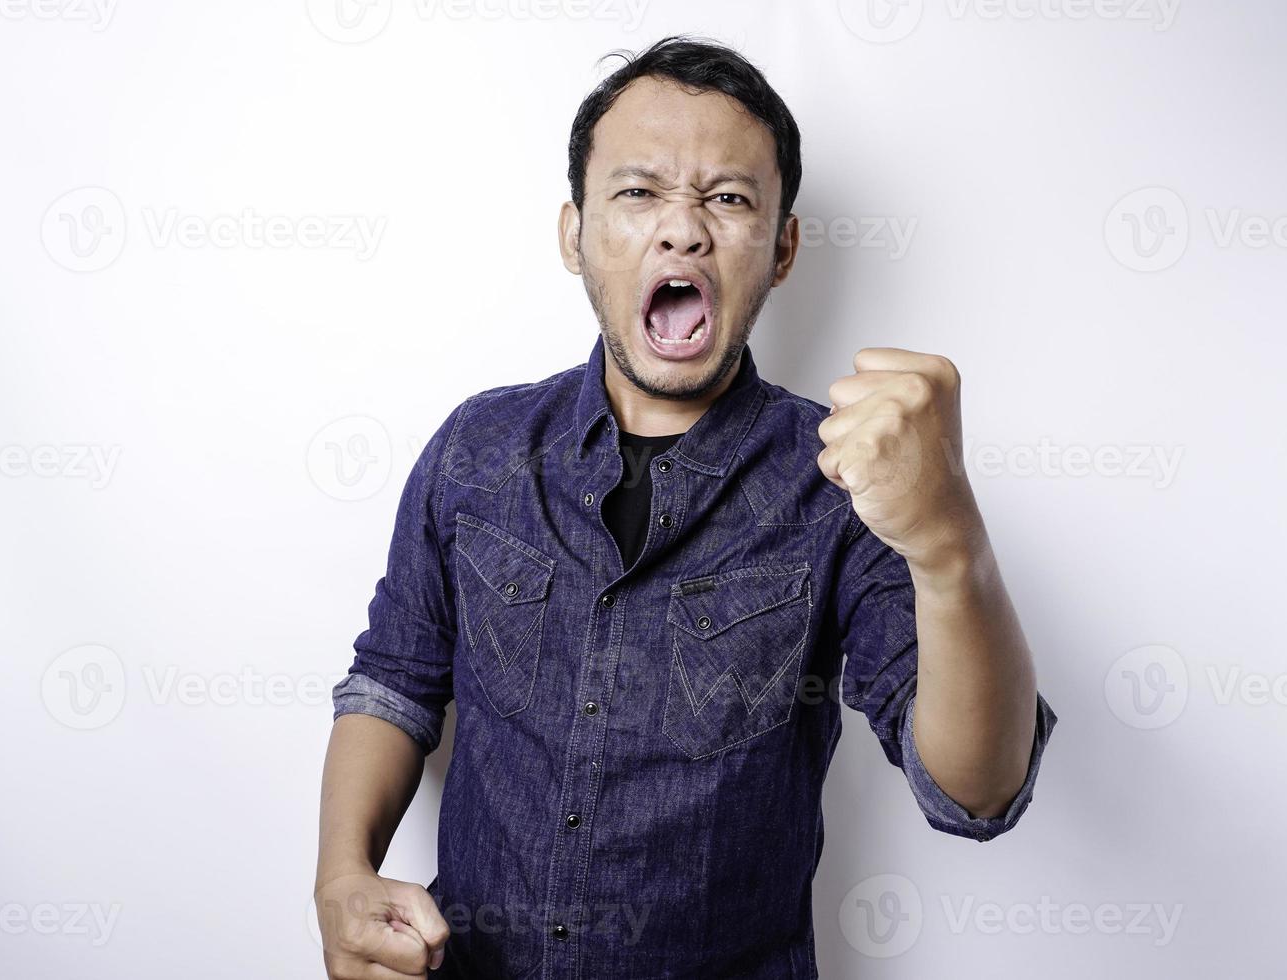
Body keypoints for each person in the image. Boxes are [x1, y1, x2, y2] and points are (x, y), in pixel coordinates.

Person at [314, 35, 1057, 980]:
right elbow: (394, 683)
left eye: (728, 198)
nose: (683, 230)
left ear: (782, 248)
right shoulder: (477, 450)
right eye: (638, 194)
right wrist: (342, 875)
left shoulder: (845, 490)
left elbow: (976, 792)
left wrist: (953, 545)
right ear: (574, 233)